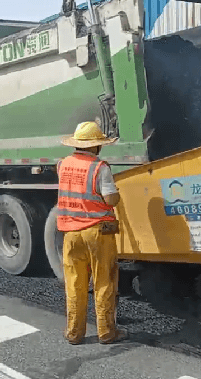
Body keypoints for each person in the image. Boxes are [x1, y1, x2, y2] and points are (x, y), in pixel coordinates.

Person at [56, 121, 126, 345]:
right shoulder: (100, 167)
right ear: (96, 146)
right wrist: (117, 194)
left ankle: (74, 334)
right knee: (103, 281)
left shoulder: (63, 165)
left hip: (70, 233)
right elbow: (110, 199)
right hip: (97, 232)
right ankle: (106, 332)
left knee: (75, 284)